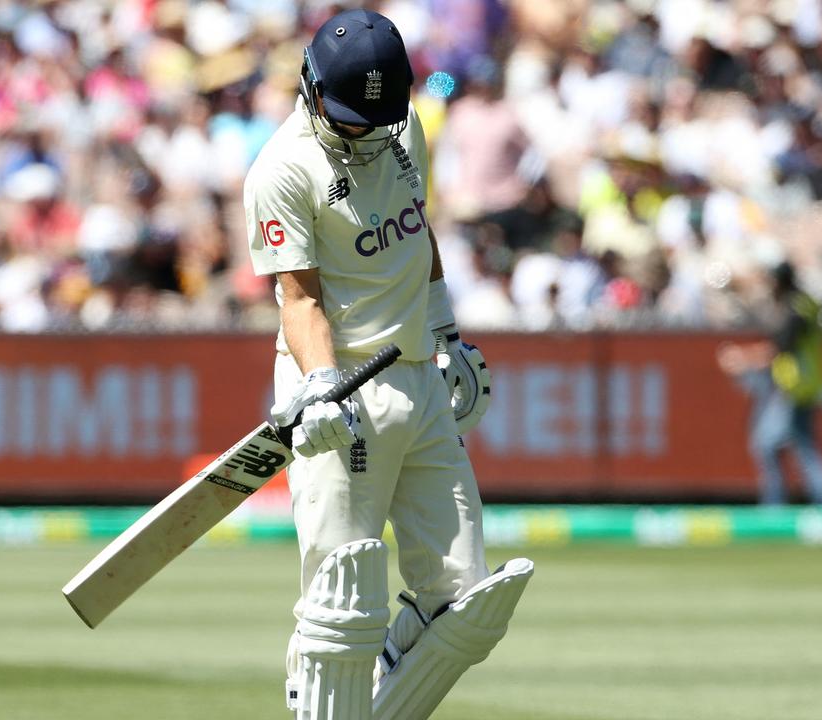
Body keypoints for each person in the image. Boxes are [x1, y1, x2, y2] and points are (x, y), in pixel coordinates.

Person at [243, 10, 534, 720]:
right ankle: (322, 700)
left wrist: (446, 332)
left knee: (464, 598)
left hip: (418, 380)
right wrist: (315, 388)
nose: (364, 134)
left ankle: (367, 697)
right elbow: (298, 295)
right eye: (349, 120)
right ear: (311, 86)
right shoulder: (282, 168)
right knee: (342, 601)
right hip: (339, 392)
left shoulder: (402, 128)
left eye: (376, 119)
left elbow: (416, 229)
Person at [717, 262, 822, 506]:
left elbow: (780, 348)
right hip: (804, 385)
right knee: (786, 447)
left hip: (798, 387)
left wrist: (742, 358)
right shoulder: (803, 305)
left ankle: (813, 508)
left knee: (785, 447)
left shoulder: (795, 310)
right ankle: (791, 504)